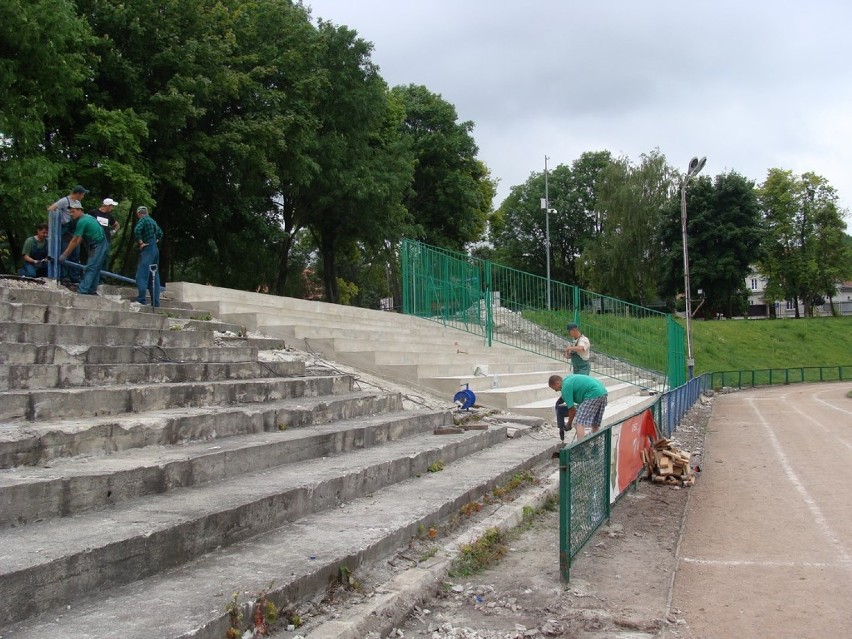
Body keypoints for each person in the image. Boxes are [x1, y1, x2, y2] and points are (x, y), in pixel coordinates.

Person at [57, 200, 107, 295]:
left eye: (73, 211)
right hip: (100, 244)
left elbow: (75, 240)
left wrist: (65, 254)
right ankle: (91, 290)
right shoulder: (88, 218)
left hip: (98, 245)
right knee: (96, 269)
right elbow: (79, 239)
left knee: (91, 268)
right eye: (70, 212)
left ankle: (82, 290)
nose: (71, 214)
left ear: (80, 210)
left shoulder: (82, 221)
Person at [548, 373, 608, 442]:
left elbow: (572, 410)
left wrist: (569, 424)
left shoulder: (565, 387)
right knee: (595, 423)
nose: (556, 390)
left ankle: (580, 446)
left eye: (554, 388)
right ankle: (597, 444)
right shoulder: (569, 379)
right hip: (603, 393)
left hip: (592, 394)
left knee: (578, 422)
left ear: (557, 383)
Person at [47, 184, 89, 282]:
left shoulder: (78, 203)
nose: (83, 196)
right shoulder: (64, 201)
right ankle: (64, 276)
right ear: (78, 194)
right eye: (83, 194)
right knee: (66, 251)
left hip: (75, 228)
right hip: (66, 228)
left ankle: (74, 276)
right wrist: (59, 219)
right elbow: (51, 208)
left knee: (76, 252)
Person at [133, 205, 163, 306]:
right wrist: (155, 241)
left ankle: (141, 300)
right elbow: (160, 233)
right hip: (155, 249)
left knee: (142, 274)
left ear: (138, 214)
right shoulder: (153, 221)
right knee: (154, 275)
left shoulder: (143, 220)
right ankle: (156, 303)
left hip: (148, 249)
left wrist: (141, 243)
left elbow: (137, 230)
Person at [88, 198, 120, 265]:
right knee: (94, 259)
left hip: (106, 241)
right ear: (108, 206)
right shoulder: (93, 213)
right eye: (112, 206)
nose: (112, 208)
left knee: (105, 259)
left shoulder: (109, 216)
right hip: (95, 240)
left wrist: (113, 232)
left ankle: (103, 275)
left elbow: (117, 225)